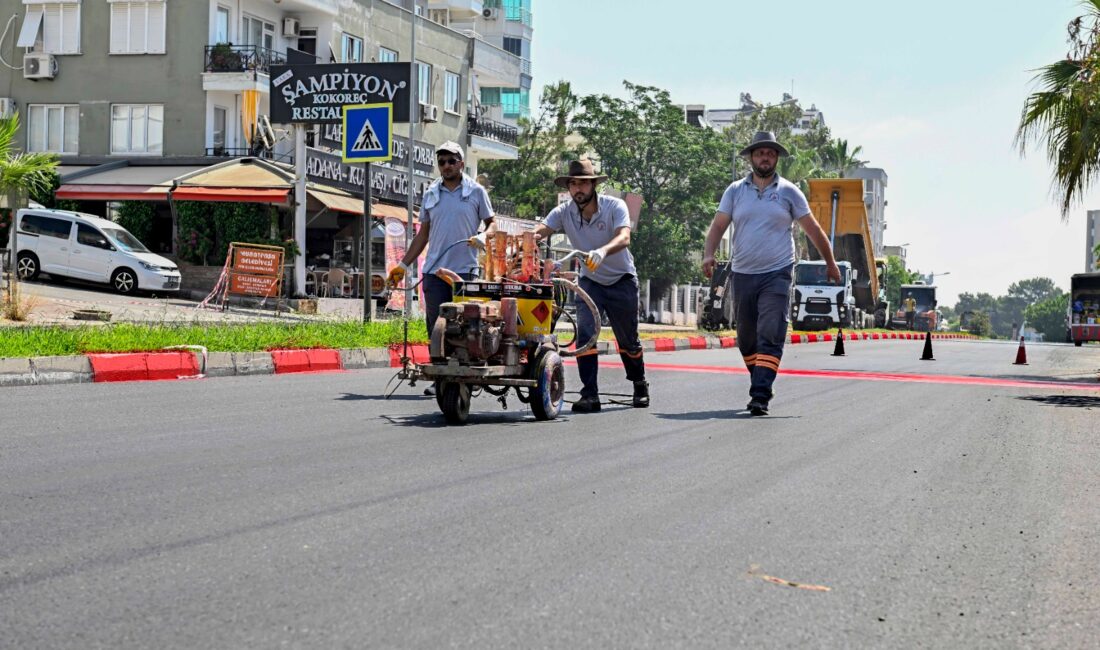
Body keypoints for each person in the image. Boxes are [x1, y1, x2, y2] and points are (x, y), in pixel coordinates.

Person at [702, 131, 840, 416]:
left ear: (776, 158)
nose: (765, 157)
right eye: (760, 153)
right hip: (742, 274)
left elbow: (812, 229)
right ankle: (761, 377)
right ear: (751, 157)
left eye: (770, 153)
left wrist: (830, 261)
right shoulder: (735, 191)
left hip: (777, 273)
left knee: (770, 332)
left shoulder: (789, 192)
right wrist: (709, 253)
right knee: (746, 339)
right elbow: (718, 227)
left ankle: (760, 394)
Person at [532, 159, 648, 413]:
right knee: (585, 334)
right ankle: (590, 394)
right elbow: (542, 229)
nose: (578, 189)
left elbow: (624, 236)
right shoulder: (565, 211)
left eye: (583, 183)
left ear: (594, 185)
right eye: (573, 184)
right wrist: (531, 238)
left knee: (628, 340)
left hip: (621, 280)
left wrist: (602, 251)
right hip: (590, 281)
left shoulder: (614, 206)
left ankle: (639, 383)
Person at [387, 141, 495, 393]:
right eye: (442, 162)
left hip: (465, 271)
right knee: (436, 326)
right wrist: (403, 265)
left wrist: (484, 236)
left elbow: (493, 224)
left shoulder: (476, 191)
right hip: (434, 271)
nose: (446, 166)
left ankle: (465, 378)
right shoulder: (431, 193)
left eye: (451, 161)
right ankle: (441, 379)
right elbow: (422, 234)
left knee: (465, 326)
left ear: (461, 163)